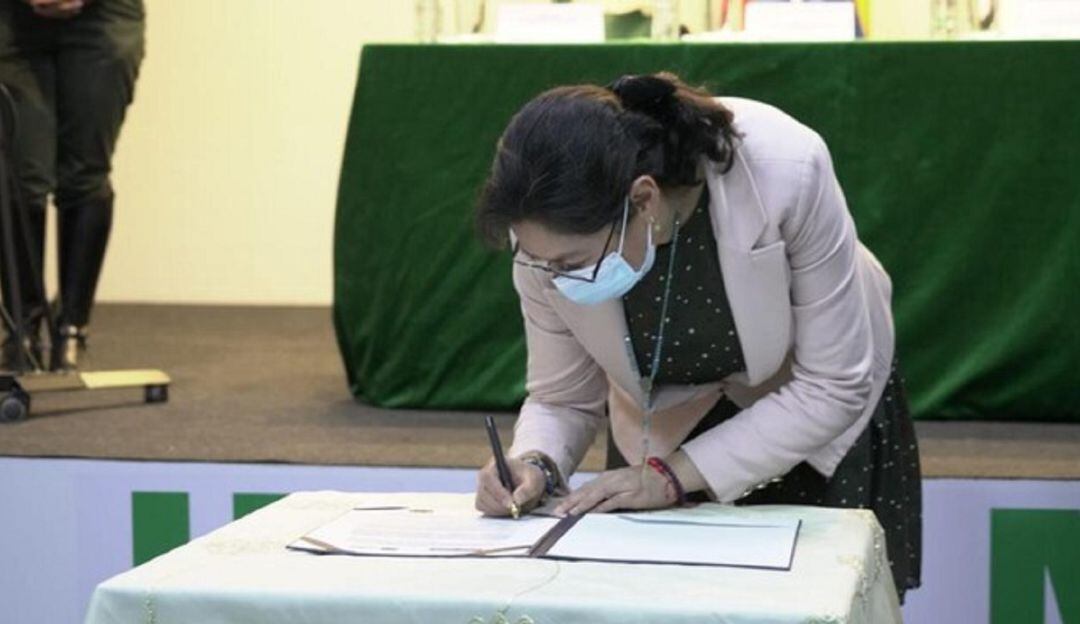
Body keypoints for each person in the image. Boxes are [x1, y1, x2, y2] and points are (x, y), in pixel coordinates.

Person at [473, 73, 921, 601]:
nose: (556, 276)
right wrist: (536, 465)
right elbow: (562, 396)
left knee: (810, 601)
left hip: (808, 411)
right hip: (659, 431)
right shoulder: (543, 241)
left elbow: (832, 385)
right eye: (544, 263)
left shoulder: (786, 169)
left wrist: (671, 476)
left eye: (573, 264)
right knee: (656, 603)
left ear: (643, 200)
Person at [0, 0, 145, 371]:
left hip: (104, 16)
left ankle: (72, 328)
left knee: (85, 172)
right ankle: (23, 328)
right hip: (10, 18)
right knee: (19, 174)